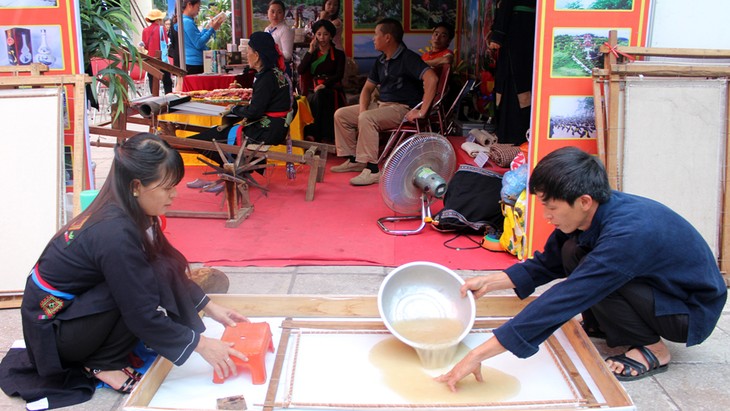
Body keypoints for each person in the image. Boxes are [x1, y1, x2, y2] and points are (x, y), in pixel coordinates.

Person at [435, 146, 727, 390]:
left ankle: (652, 349)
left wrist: (479, 353)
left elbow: (570, 295)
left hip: (687, 310)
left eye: (551, 208)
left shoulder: (628, 234)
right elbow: (549, 261)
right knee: (572, 250)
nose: (547, 216)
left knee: (594, 277)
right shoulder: (594, 211)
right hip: (660, 290)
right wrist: (492, 282)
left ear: (584, 201)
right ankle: (606, 324)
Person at [0, 133, 250, 407]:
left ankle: (103, 353)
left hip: (64, 310)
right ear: (135, 186)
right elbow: (140, 312)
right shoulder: (113, 232)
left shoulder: (129, 211)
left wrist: (209, 305)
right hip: (52, 325)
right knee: (137, 288)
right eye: (167, 188)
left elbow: (162, 261)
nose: (174, 195)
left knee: (147, 272)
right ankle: (101, 363)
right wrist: (201, 345)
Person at [331, 18, 437, 186]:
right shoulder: (381, 60)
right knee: (341, 114)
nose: (373, 38)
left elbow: (432, 78)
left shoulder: (408, 57)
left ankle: (373, 170)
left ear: (387, 37)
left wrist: (422, 111)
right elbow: (367, 89)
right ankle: (355, 160)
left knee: (367, 118)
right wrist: (363, 110)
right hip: (381, 106)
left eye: (376, 34)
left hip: (401, 108)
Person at [187, 32, 294, 193]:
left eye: (248, 52)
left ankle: (230, 174)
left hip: (265, 131)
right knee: (220, 131)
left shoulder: (266, 78)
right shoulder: (278, 73)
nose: (247, 55)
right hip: (277, 127)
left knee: (210, 138)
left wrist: (235, 109)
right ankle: (235, 171)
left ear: (257, 55)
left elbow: (255, 111)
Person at [488, 0, 536, 145]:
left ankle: (512, 137)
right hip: (526, 27)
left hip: (516, 29)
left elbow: (506, 5)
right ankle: (517, 135)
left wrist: (497, 36)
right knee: (522, 79)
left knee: (514, 80)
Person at [297, 19, 345, 144]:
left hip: (332, 87)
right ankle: (314, 133)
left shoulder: (339, 54)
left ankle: (316, 134)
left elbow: (339, 75)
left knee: (320, 95)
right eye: (318, 34)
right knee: (314, 96)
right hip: (314, 88)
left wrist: (324, 84)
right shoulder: (313, 54)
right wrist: (310, 50)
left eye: (325, 34)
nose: (322, 38)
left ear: (331, 36)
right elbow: (301, 70)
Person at [180, 0, 223, 75]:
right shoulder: (187, 22)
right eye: (198, 7)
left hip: (193, 61)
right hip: (194, 63)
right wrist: (212, 29)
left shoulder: (186, 21)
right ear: (189, 5)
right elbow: (198, 43)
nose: (199, 10)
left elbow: (197, 38)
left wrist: (206, 29)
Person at [141, 9, 173, 95]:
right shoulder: (161, 29)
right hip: (162, 59)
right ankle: (169, 100)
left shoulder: (145, 30)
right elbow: (166, 43)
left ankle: (154, 99)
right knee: (167, 82)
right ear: (158, 20)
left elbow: (145, 46)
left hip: (151, 59)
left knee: (152, 80)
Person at [264, 0, 294, 75]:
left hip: (281, 68)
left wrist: (271, 54)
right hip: (269, 67)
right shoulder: (267, 29)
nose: (275, 15)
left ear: (284, 14)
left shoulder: (285, 30)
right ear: (267, 12)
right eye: (272, 12)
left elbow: (287, 55)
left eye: (279, 12)